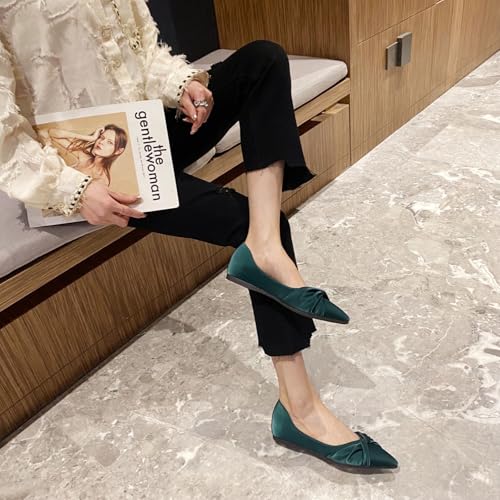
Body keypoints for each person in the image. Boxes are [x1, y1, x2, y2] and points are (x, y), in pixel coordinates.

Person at [0, 0, 398, 470]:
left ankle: (264, 246)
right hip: (88, 174)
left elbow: (142, 51)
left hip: (145, 134)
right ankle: (300, 408)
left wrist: (181, 84)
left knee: (264, 59)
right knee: (253, 220)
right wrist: (74, 189)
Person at [38, 125, 128, 186]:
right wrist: (90, 138)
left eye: (109, 142)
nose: (101, 142)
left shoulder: (102, 180)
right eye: (102, 137)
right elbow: (51, 133)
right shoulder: (84, 156)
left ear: (118, 151)